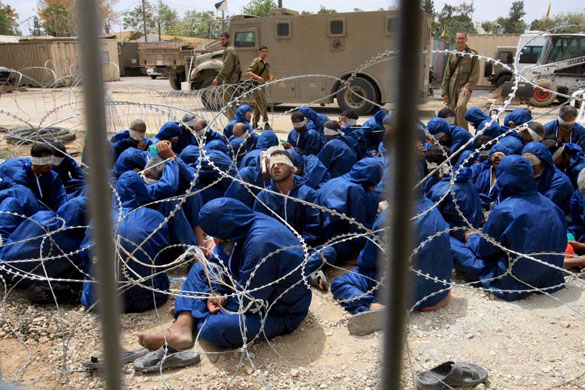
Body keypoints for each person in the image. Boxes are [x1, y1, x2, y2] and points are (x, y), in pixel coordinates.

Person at [137, 198, 312, 350]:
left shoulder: (261, 243)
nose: (215, 241)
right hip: (248, 289)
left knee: (215, 328)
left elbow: (249, 303)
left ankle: (190, 314)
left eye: (216, 235)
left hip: (279, 310)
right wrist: (218, 293)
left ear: (225, 228)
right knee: (200, 269)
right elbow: (217, 263)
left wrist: (218, 301)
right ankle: (182, 327)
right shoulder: (239, 225)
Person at [451, 155, 566, 301]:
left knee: (451, 244)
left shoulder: (505, 210)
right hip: (550, 278)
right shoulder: (552, 206)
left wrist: (472, 237)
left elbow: (484, 251)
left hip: (513, 281)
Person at [331, 197, 454, 320]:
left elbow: (369, 261)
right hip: (438, 293)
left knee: (341, 283)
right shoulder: (432, 208)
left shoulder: (388, 217)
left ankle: (374, 307)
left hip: (407, 294)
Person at [81, 171, 171, 313]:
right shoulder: (154, 217)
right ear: (141, 190)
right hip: (149, 296)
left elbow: (85, 255)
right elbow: (163, 253)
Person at [0, 196, 88, 303]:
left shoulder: (42, 217)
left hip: (4, 263)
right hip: (27, 280)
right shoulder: (76, 245)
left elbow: (18, 234)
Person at [318, 157, 384, 260]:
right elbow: (358, 227)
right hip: (337, 244)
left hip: (318, 237)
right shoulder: (356, 191)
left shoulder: (335, 181)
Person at [253, 150, 321, 245]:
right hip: (274, 248)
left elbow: (313, 229)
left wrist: (298, 247)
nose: (275, 167)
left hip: (304, 248)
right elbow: (261, 229)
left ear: (292, 169)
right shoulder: (263, 196)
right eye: (272, 164)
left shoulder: (308, 195)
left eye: (281, 163)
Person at [427, 148, 483, 242]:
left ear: (433, 166)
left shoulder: (440, 190)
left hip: (456, 237)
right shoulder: (464, 179)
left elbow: (431, 218)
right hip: (473, 232)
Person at [441, 32, 479, 130]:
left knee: (460, 107)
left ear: (466, 40)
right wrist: (444, 92)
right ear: (455, 40)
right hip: (451, 86)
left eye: (462, 38)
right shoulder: (452, 54)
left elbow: (475, 73)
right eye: (458, 38)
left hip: (464, 86)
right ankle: (452, 133)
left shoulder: (472, 54)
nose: (460, 40)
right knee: (451, 111)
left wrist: (468, 86)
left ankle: (463, 132)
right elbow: (447, 74)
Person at [12, 142, 66, 211]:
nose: (49, 165)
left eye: (50, 160)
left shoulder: (53, 177)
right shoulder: (21, 180)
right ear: (36, 161)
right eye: (45, 161)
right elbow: (28, 204)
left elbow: (61, 197)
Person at [212, 32, 241, 120]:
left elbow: (227, 67)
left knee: (228, 104)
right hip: (231, 79)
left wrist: (218, 78)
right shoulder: (229, 50)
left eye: (223, 39)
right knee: (229, 104)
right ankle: (235, 122)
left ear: (229, 39)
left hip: (230, 80)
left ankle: (233, 124)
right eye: (221, 40)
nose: (222, 42)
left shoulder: (229, 50)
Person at [246, 45, 273, 129]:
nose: (265, 53)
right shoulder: (256, 61)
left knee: (258, 105)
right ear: (260, 52)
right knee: (263, 103)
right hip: (256, 86)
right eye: (263, 51)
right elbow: (248, 72)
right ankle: (266, 123)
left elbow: (266, 75)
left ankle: (254, 122)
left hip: (263, 87)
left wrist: (270, 77)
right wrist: (258, 78)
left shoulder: (267, 63)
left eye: (266, 51)